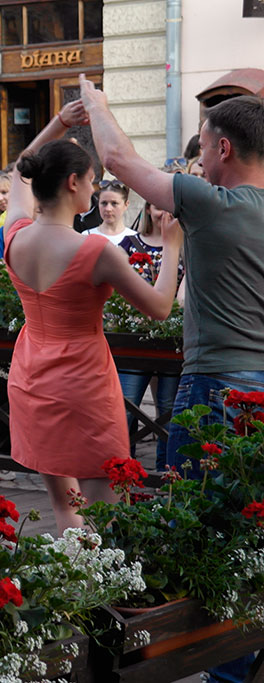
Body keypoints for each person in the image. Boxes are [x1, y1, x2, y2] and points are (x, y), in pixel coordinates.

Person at [1, 98, 181, 535]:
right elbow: (159, 308)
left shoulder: (15, 235)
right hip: (82, 381)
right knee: (105, 512)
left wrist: (60, 122)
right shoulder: (96, 250)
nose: (97, 189)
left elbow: (17, 174)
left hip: (31, 376)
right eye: (93, 181)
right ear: (73, 182)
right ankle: (101, 597)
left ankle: (71, 591)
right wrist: (173, 243)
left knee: (66, 508)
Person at [81, 82, 264, 484]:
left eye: (203, 146)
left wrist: (96, 104)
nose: (200, 157)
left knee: (198, 515)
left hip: (217, 383)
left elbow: (117, 158)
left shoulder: (212, 202)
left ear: (224, 149)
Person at [117, 195, 185, 471]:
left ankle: (163, 471)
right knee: (126, 406)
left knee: (168, 408)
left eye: (170, 208)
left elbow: (182, 297)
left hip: (170, 338)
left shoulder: (184, 247)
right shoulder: (129, 244)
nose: (164, 214)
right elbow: (119, 292)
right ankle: (122, 468)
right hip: (134, 338)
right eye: (158, 207)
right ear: (148, 208)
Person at [82, 180, 136, 245]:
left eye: (114, 203)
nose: (108, 209)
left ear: (126, 205)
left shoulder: (135, 239)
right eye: (104, 203)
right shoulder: (86, 236)